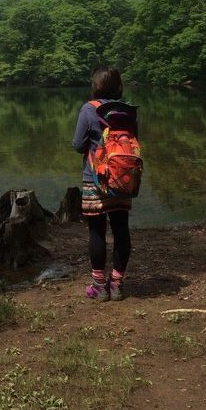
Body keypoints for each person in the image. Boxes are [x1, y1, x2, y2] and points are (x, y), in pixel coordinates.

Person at [72, 67, 133, 301]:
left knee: (97, 231)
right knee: (121, 230)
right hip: (122, 177)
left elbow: (78, 144)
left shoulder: (89, 109)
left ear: (95, 86)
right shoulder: (126, 110)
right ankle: (117, 285)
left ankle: (98, 287)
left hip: (95, 178)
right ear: (118, 87)